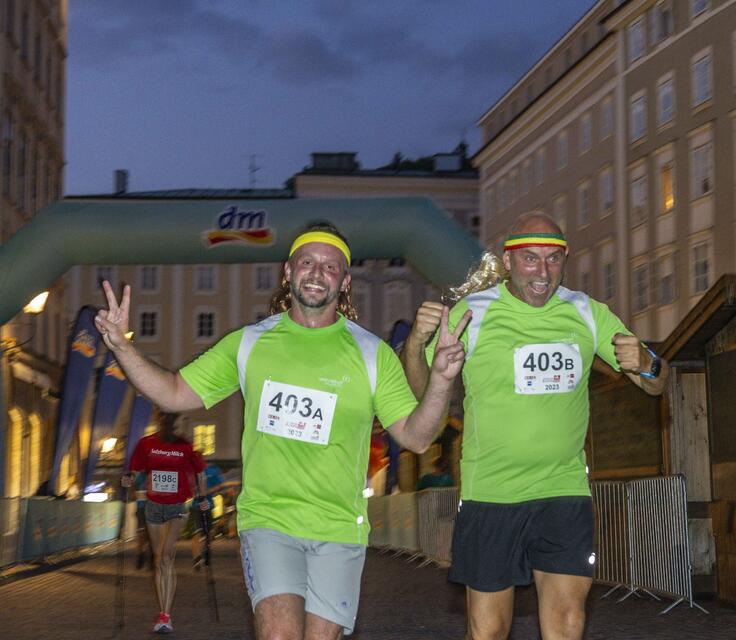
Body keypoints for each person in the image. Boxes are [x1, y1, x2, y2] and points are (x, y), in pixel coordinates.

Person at [96, 221, 467, 640]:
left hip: (339, 528)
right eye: (307, 262)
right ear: (288, 273)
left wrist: (439, 380)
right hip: (269, 521)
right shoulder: (251, 344)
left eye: (330, 267)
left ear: (345, 282)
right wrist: (123, 347)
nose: (316, 272)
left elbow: (416, 437)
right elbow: (174, 393)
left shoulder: (371, 354)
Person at [401, 212, 667, 640]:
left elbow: (655, 383)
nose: (543, 272)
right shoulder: (475, 312)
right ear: (508, 262)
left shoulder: (586, 312)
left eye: (553, 259)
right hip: (492, 494)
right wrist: (416, 345)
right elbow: (423, 393)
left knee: (567, 624)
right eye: (529, 259)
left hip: (563, 492)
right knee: (487, 630)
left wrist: (650, 365)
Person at [121, 412, 209, 634]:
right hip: (153, 506)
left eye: (172, 422)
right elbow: (133, 470)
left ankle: (166, 615)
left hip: (176, 507)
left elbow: (201, 473)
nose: (169, 425)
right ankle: (163, 611)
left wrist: (203, 498)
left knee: (167, 555)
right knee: (159, 559)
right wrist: (127, 479)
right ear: (160, 421)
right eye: (165, 420)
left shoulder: (185, 446)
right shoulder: (147, 444)